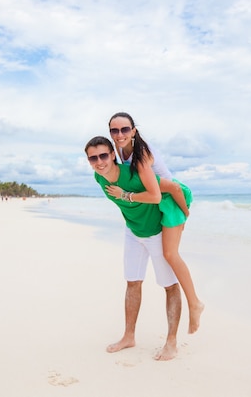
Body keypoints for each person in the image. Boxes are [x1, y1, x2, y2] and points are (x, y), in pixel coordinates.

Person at [85, 135, 182, 361]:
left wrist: (183, 218)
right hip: (132, 233)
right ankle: (129, 336)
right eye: (93, 158)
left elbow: (173, 189)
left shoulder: (136, 173)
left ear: (113, 155)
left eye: (103, 155)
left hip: (156, 233)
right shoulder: (98, 178)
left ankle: (171, 342)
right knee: (132, 282)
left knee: (169, 285)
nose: (99, 162)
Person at [107, 112, 204, 334]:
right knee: (165, 256)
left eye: (124, 130)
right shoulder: (121, 150)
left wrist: (185, 214)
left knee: (170, 254)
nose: (119, 134)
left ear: (133, 131)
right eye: (114, 130)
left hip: (172, 199)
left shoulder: (141, 156)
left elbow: (171, 189)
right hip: (161, 199)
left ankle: (195, 303)